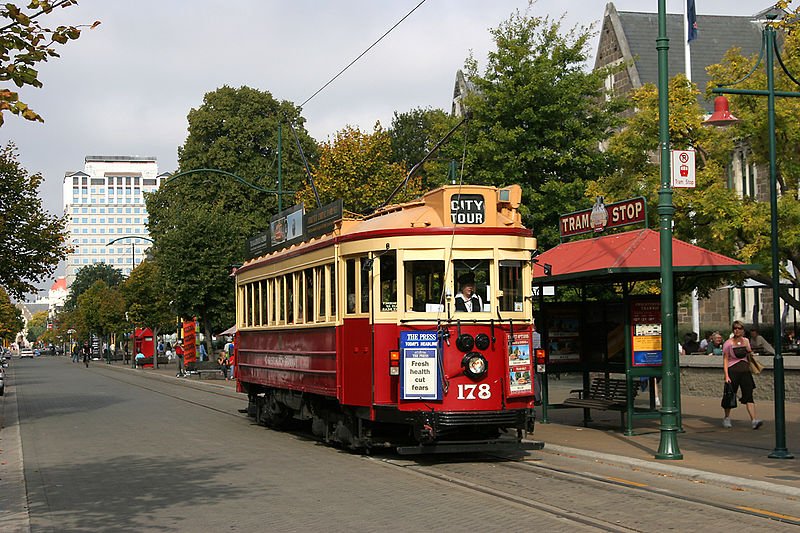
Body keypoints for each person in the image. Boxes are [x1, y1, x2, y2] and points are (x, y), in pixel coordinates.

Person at [722, 320, 762, 429]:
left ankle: (754, 420)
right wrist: (726, 375)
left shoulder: (746, 341)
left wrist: (750, 353)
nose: (737, 330)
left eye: (739, 328)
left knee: (749, 395)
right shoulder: (728, 343)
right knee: (730, 395)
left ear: (743, 330)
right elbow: (725, 359)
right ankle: (727, 418)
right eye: (735, 328)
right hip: (733, 371)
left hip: (745, 372)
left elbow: (749, 353)